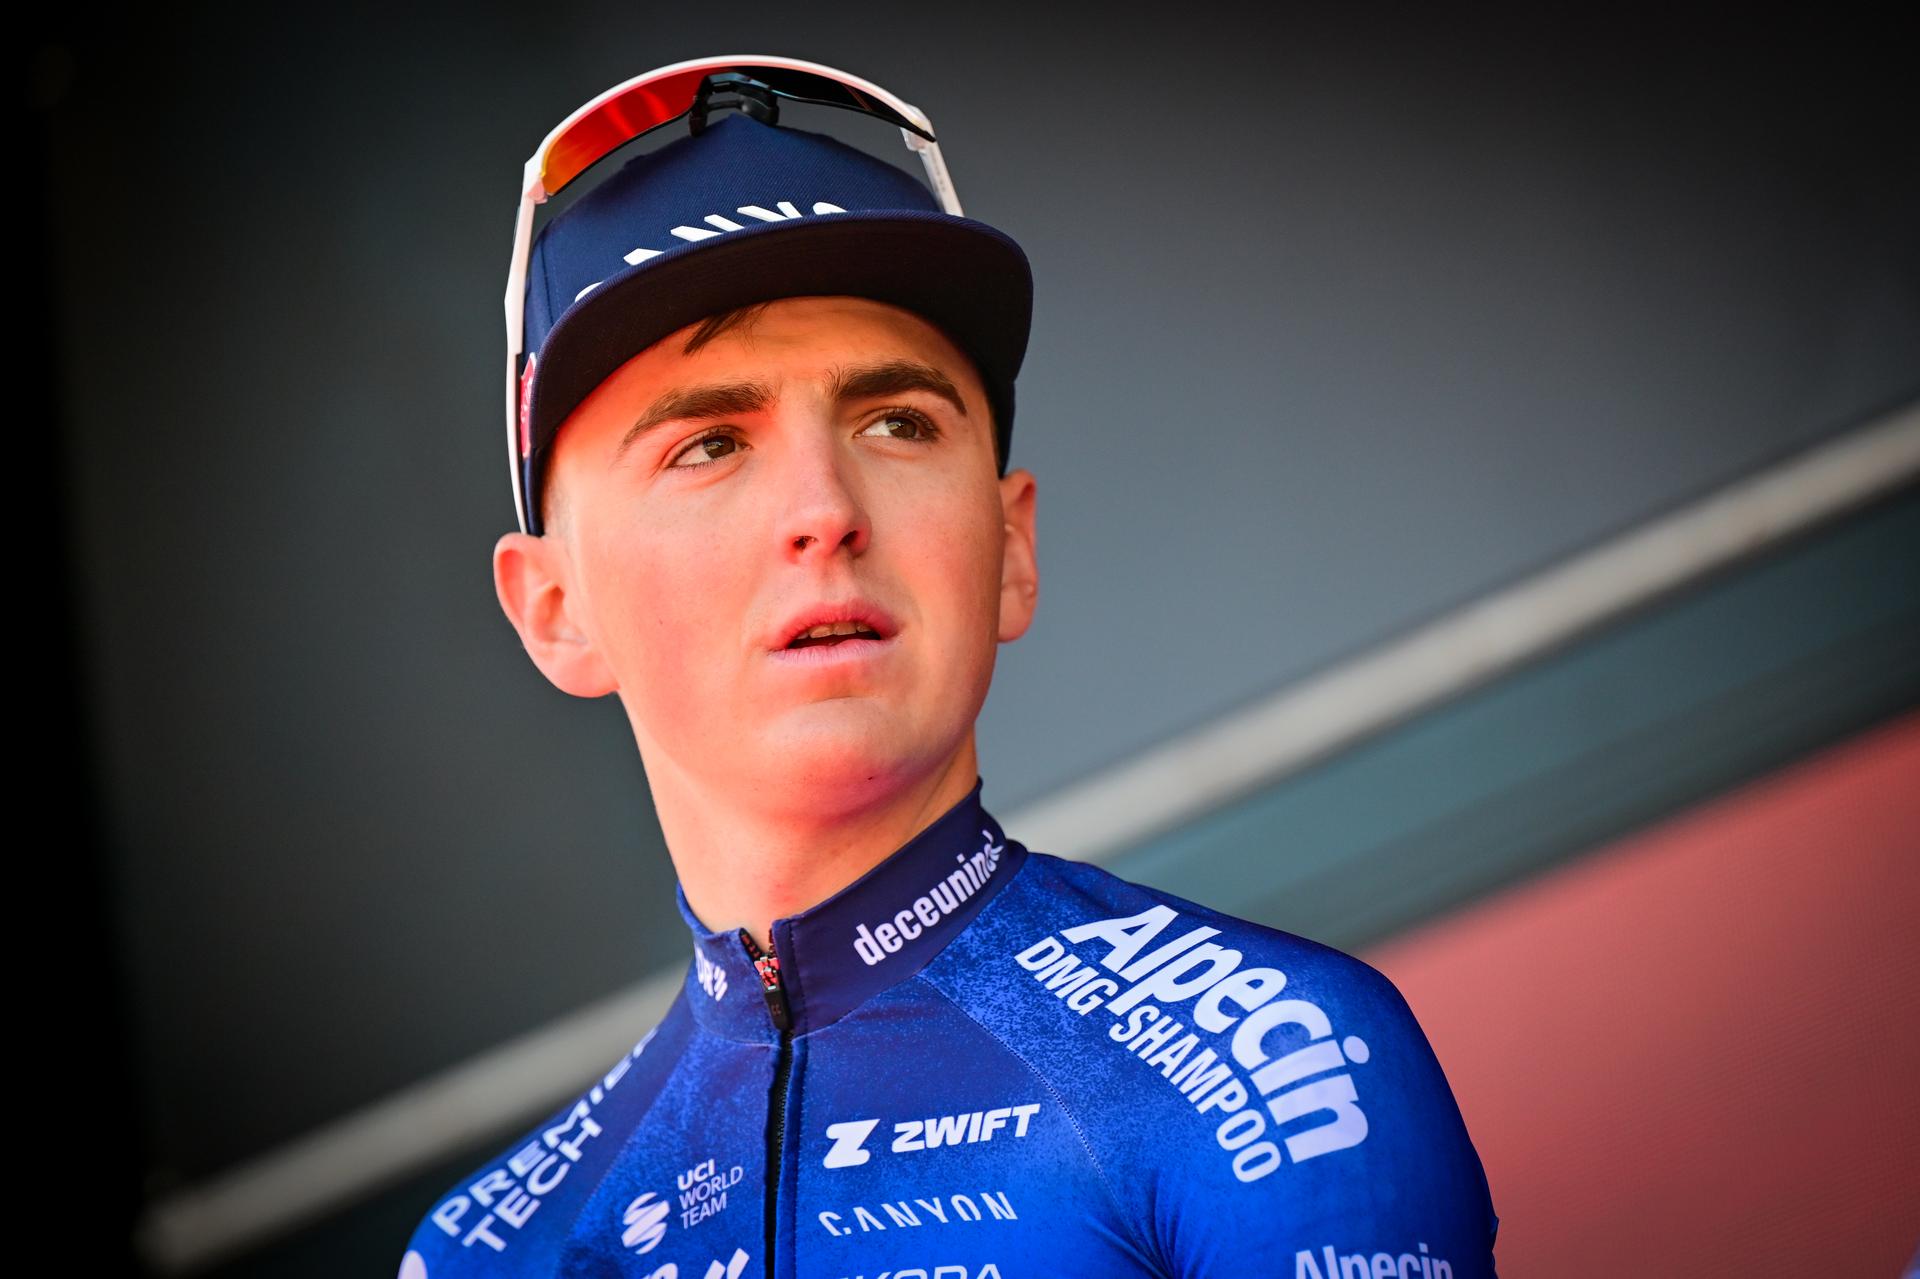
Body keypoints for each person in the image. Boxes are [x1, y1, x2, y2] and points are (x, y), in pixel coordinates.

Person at [398, 56, 1501, 1279]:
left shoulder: (1272, 1073)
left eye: (898, 423)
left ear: (1013, 545)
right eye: (710, 443)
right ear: (555, 609)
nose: (824, 510)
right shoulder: (484, 1252)